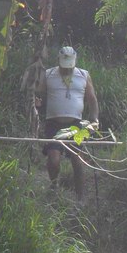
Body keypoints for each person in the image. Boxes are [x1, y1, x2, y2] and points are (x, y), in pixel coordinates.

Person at [34, 45, 99, 197]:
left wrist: (94, 119)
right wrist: (37, 101)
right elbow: (38, 93)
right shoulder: (49, 74)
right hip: (53, 123)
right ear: (58, 61)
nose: (67, 69)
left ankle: (80, 197)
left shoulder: (83, 75)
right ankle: (54, 187)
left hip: (75, 124)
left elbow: (92, 99)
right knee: (54, 159)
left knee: (77, 159)